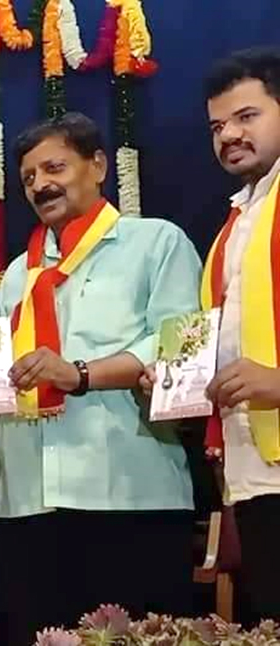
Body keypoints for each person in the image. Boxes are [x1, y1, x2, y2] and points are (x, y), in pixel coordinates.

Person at [0, 113, 201, 644]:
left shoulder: (156, 242)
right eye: (29, 178)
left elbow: (176, 344)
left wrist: (79, 374)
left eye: (55, 168)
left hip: (131, 493)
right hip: (30, 500)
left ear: (99, 166)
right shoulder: (18, 274)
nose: (40, 185)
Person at [191, 46, 280, 621]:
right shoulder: (236, 220)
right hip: (253, 471)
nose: (228, 135)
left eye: (247, 116)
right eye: (217, 126)